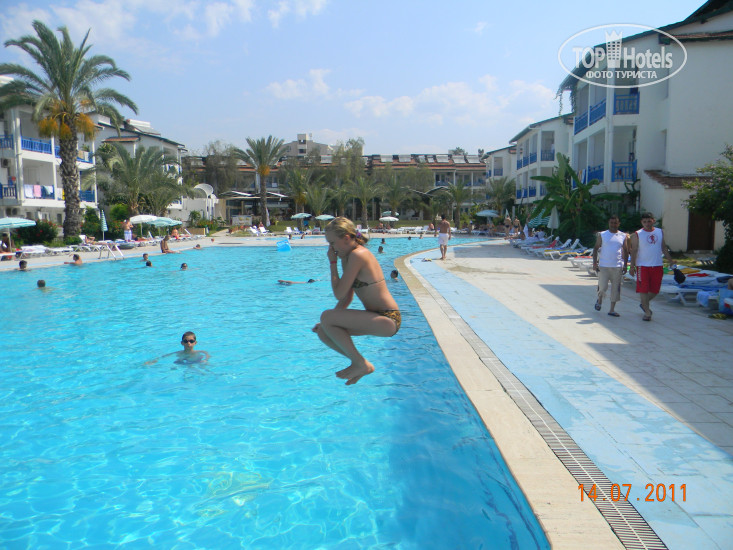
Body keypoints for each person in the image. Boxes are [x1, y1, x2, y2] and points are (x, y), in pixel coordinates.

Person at [313, 217, 401, 386]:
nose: (331, 248)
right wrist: (329, 322)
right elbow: (346, 297)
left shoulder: (358, 255)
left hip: (388, 318)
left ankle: (361, 364)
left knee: (326, 317)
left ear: (346, 238)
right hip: (375, 317)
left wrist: (332, 263)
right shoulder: (347, 257)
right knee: (324, 331)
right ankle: (359, 363)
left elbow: (338, 294)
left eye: (332, 243)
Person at [629, 212, 673, 321]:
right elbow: (634, 251)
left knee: (655, 290)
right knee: (643, 289)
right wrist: (632, 266)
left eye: (649, 221)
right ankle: (647, 312)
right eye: (644, 222)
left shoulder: (659, 232)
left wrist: (670, 260)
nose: (647, 224)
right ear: (641, 222)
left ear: (653, 220)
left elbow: (663, 247)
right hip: (642, 266)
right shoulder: (637, 234)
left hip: (657, 265)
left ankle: (644, 304)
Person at [592, 215, 629, 317]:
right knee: (602, 286)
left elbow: (626, 251)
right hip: (603, 266)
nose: (613, 225)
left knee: (615, 288)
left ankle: (612, 309)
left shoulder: (623, 236)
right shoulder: (603, 234)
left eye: (615, 223)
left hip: (617, 266)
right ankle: (599, 300)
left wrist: (625, 265)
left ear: (618, 224)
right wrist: (595, 263)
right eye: (611, 223)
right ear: (609, 223)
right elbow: (596, 248)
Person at [145, 331, 210, 366]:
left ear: (195, 343)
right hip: (185, 363)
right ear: (182, 343)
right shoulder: (179, 353)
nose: (188, 343)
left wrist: (206, 360)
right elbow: (165, 356)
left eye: (191, 341)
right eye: (186, 341)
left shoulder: (200, 352)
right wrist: (154, 361)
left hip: (196, 362)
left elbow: (207, 354)